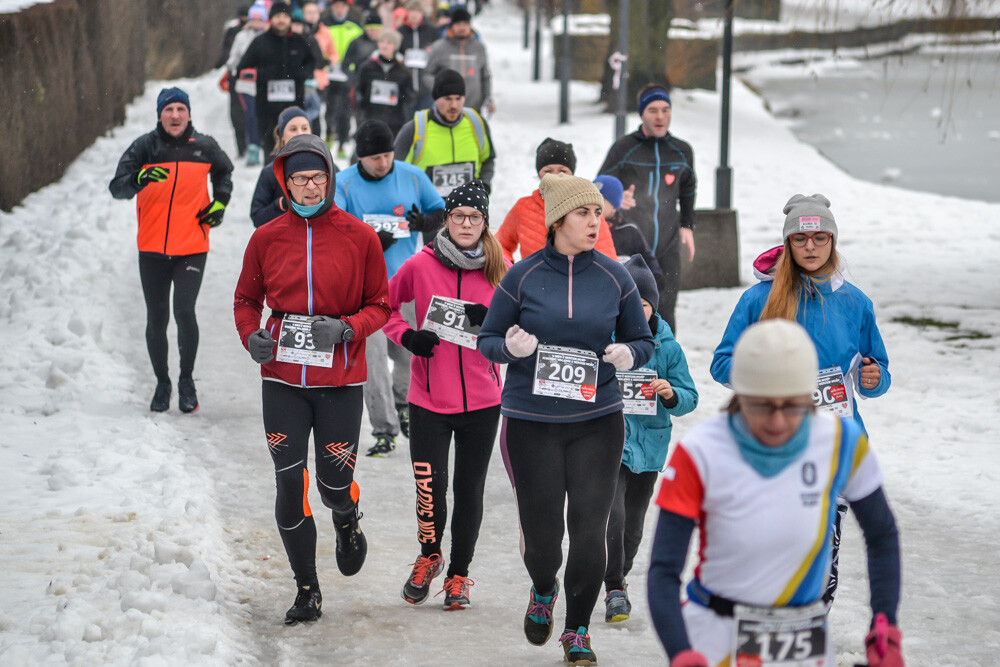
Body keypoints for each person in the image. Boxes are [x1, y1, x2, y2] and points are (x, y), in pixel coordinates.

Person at [648, 320, 903, 667]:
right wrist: (681, 652)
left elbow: (882, 534)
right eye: (763, 406)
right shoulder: (702, 450)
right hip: (716, 637)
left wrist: (884, 625)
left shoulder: (841, 441)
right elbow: (663, 569)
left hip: (803, 640)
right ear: (740, 396)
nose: (779, 420)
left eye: (794, 406)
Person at [477, 174, 654, 665]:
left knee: (589, 527)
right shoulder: (523, 276)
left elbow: (645, 342)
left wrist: (627, 354)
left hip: (597, 421)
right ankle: (541, 587)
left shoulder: (615, 277)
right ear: (558, 220)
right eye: (584, 214)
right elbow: (487, 338)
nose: (595, 222)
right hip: (532, 421)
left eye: (598, 213)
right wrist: (509, 348)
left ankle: (577, 630)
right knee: (542, 534)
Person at [234, 134, 391, 625]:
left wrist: (346, 328)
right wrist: (250, 336)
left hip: (340, 381)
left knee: (332, 483)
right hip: (281, 378)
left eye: (317, 178)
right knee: (288, 485)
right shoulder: (266, 238)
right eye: (299, 179)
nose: (308, 188)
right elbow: (245, 300)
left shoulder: (359, 237)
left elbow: (381, 305)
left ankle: (346, 519)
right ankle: (307, 590)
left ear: (330, 178)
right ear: (285, 181)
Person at [710, 193, 892, 604]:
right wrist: (763, 374)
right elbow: (722, 364)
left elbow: (877, 371)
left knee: (821, 558)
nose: (811, 246)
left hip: (834, 444)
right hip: (770, 443)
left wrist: (873, 376)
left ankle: (806, 634)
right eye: (801, 238)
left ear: (833, 241)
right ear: (788, 244)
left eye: (820, 237)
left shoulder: (855, 302)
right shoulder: (759, 299)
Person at [383, 180, 508, 609]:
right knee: (429, 487)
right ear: (447, 220)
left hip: (483, 401)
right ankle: (428, 556)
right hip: (428, 399)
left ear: (485, 222)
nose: (466, 224)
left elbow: (519, 331)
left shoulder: (501, 267)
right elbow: (384, 305)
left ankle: (459, 574)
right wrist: (408, 336)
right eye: (459, 216)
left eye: (475, 217)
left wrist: (490, 321)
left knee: (468, 489)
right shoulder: (420, 265)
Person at [109, 87, 233, 414]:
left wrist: (220, 202)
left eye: (181, 109)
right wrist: (140, 176)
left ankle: (186, 381)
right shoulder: (145, 146)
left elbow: (225, 172)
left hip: (192, 246)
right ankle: (162, 383)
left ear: (189, 114)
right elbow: (117, 187)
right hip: (151, 248)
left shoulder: (204, 147)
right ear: (160, 114)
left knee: (184, 311)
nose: (175, 115)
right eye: (169, 110)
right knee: (157, 317)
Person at [335, 120, 446, 456]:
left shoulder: (411, 175)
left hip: (405, 284)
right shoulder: (344, 183)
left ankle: (405, 405)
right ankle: (384, 427)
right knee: (372, 361)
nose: (383, 163)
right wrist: (368, 240)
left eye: (387, 155)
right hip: (363, 291)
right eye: (375, 158)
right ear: (360, 157)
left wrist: (425, 223)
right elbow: (335, 228)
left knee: (407, 353)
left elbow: (439, 209)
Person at [603, 255, 697, 625]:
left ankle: (619, 574)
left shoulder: (668, 348)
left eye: (642, 304)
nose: (636, 311)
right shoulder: (604, 342)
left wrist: (670, 393)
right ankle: (613, 588)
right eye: (628, 303)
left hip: (651, 449)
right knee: (614, 516)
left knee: (634, 526)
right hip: (610, 445)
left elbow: (690, 398)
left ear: (652, 307)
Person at [598, 84, 696, 334]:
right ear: (642, 114)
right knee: (629, 309)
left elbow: (687, 188)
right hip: (631, 244)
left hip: (668, 243)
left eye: (665, 109)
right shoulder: (624, 148)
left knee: (666, 308)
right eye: (653, 110)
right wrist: (618, 200)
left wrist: (687, 225)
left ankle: (666, 364)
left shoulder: (682, 151)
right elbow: (599, 189)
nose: (660, 116)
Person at [495, 138, 616, 263]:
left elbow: (609, 261)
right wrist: (509, 268)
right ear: (539, 173)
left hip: (577, 280)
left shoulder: (588, 209)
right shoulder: (523, 208)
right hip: (533, 280)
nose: (555, 176)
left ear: (572, 173)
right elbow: (499, 245)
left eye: (563, 171)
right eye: (548, 171)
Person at [395, 69, 496, 196]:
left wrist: (483, 188)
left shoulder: (476, 124)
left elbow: (488, 159)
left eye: (458, 98)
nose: (454, 105)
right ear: (436, 98)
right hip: (428, 213)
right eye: (447, 99)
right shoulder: (415, 129)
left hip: (466, 211)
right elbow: (397, 172)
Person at [237, 2, 317, 156]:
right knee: (271, 149)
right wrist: (263, 74)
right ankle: (271, 177)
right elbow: (243, 68)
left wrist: (302, 74)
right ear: (271, 19)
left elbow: (312, 62)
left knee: (295, 146)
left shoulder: (299, 41)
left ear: (290, 19)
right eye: (278, 16)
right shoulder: (260, 42)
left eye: (285, 16)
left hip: (294, 103)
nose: (281, 20)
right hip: (266, 105)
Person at [251, 106, 340, 228]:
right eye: (293, 129)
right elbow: (258, 218)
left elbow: (343, 210)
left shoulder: (329, 167)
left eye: (304, 128)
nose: (300, 133)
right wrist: (282, 204)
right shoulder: (270, 172)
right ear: (282, 136)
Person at [422, 5, 493, 113]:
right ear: (452, 26)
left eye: (465, 24)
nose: (462, 28)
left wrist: (487, 99)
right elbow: (427, 74)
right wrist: (440, 90)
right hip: (447, 109)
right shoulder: (439, 47)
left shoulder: (478, 47)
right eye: (458, 24)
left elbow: (485, 76)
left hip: (473, 108)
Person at [594, 174, 663, 277]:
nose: (595, 204)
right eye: (592, 199)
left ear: (614, 206)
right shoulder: (585, 228)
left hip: (626, 286)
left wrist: (656, 276)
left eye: (601, 200)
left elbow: (646, 257)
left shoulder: (629, 229)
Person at [226, 3, 270, 165]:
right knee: (250, 116)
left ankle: (266, 146)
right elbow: (233, 59)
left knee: (264, 116)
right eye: (254, 20)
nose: (257, 23)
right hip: (246, 85)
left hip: (265, 85)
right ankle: (253, 148)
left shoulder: (269, 37)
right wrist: (238, 69)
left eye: (260, 20)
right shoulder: (241, 37)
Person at [354, 28, 414, 136]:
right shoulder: (367, 67)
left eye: (389, 43)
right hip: (371, 120)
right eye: (382, 42)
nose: (384, 46)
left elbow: (410, 97)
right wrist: (361, 111)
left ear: (395, 47)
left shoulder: (403, 71)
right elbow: (359, 90)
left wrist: (399, 96)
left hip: (395, 123)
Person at [323, 0, 363, 158]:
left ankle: (342, 142)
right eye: (336, 6)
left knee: (345, 110)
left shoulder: (354, 27)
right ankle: (329, 133)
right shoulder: (325, 25)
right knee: (329, 107)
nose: (339, 9)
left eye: (343, 6)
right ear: (332, 7)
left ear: (347, 8)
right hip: (329, 73)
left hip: (347, 74)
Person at [218, 5, 250, 159]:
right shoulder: (233, 32)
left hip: (252, 78)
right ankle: (241, 146)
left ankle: (251, 144)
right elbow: (226, 53)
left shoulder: (257, 34)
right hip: (235, 77)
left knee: (250, 112)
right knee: (237, 113)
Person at [399, 0, 440, 112]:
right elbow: (393, 55)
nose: (414, 14)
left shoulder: (432, 32)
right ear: (407, 12)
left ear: (423, 13)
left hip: (427, 89)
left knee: (426, 124)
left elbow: (440, 56)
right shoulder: (400, 32)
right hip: (405, 89)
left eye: (418, 11)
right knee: (408, 126)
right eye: (411, 10)